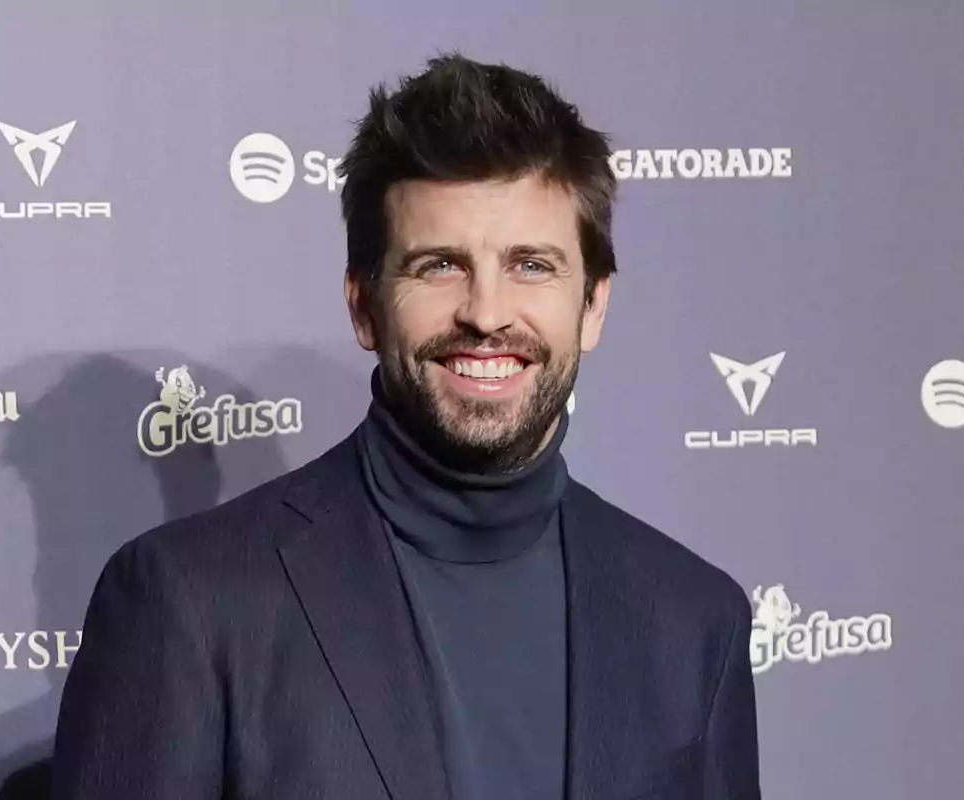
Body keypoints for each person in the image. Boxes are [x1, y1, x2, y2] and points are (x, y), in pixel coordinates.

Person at [52, 52, 761, 800]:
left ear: (594, 306)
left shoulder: (693, 619)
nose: (486, 315)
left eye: (531, 266)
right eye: (439, 266)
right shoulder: (191, 601)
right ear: (363, 305)